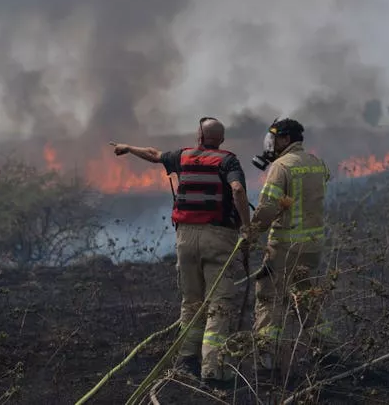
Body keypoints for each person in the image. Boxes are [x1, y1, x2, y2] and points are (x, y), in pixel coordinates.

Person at [110, 117, 250, 387]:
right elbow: (238, 189)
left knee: (191, 302)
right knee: (219, 303)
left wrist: (128, 147)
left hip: (185, 238)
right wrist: (247, 227)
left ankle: (186, 361)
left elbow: (153, 154)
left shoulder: (183, 157)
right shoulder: (227, 160)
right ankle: (213, 368)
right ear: (220, 140)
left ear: (199, 136)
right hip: (217, 237)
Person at [242, 117, 331, 378]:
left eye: (274, 138)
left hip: (284, 246)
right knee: (306, 298)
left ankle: (267, 362)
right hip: (312, 245)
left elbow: (268, 206)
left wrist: (251, 234)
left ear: (284, 139)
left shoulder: (281, 167)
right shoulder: (317, 163)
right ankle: (327, 350)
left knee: (270, 300)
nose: (270, 144)